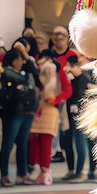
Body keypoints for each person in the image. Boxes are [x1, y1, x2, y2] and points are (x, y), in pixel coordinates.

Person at [0, 47, 39, 186]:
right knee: (7, 144)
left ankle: (22, 174)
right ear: (13, 60)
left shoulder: (27, 73)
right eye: (20, 58)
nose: (22, 61)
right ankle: (4, 175)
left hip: (27, 112)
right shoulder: (6, 73)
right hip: (12, 112)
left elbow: (36, 73)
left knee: (23, 144)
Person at [29, 50, 66, 185]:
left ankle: (46, 172)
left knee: (45, 141)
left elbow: (66, 90)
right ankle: (42, 172)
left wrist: (55, 99)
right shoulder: (42, 71)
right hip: (41, 108)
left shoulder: (53, 69)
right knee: (39, 142)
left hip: (49, 109)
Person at [62, 52, 97, 181]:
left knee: (81, 142)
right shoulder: (89, 74)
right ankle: (89, 172)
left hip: (81, 111)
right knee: (88, 142)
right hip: (87, 110)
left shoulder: (83, 74)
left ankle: (81, 172)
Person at [49, 26, 75, 165]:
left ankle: (65, 154)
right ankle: (55, 152)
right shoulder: (49, 54)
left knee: (66, 129)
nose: (58, 37)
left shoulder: (73, 55)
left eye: (61, 34)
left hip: (69, 99)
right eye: (55, 34)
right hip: (51, 96)